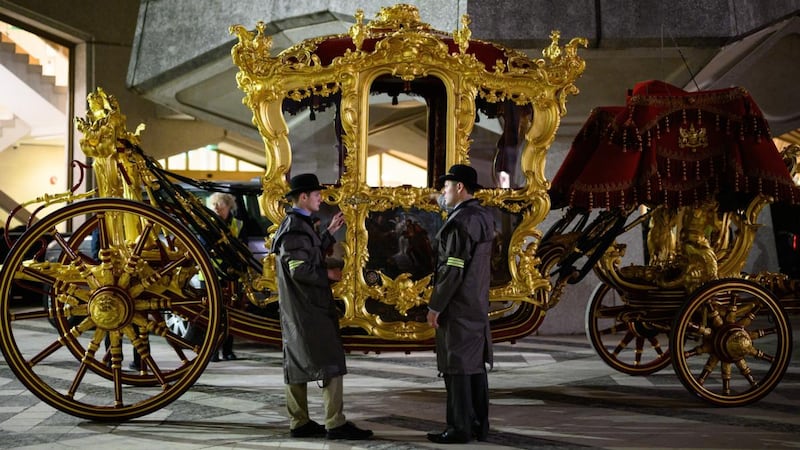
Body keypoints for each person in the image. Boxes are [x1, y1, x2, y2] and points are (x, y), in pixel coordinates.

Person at [271, 173, 373, 440]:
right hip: (308, 308)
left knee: (297, 363)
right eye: (316, 195)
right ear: (303, 197)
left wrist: (327, 235)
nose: (320, 198)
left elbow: (308, 253)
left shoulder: (299, 224)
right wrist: (329, 275)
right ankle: (335, 423)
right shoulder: (294, 228)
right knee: (330, 362)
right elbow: (299, 269)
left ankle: (300, 422)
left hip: (302, 308)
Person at [426, 164, 494, 444]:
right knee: (474, 367)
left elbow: (452, 269)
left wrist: (436, 305)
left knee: (456, 368)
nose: (444, 191)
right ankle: (478, 425)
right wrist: (437, 201)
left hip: (458, 304)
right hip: (476, 302)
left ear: (460, 187)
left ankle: (459, 428)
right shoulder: (482, 216)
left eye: (446, 186)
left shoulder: (460, 223)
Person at [208, 192, 244, 362]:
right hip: (211, 275)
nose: (217, 209)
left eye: (220, 205)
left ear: (229, 207)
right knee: (213, 316)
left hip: (230, 274)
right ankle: (213, 351)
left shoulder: (238, 224)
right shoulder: (206, 225)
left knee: (230, 314)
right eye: (214, 205)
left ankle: (228, 350)